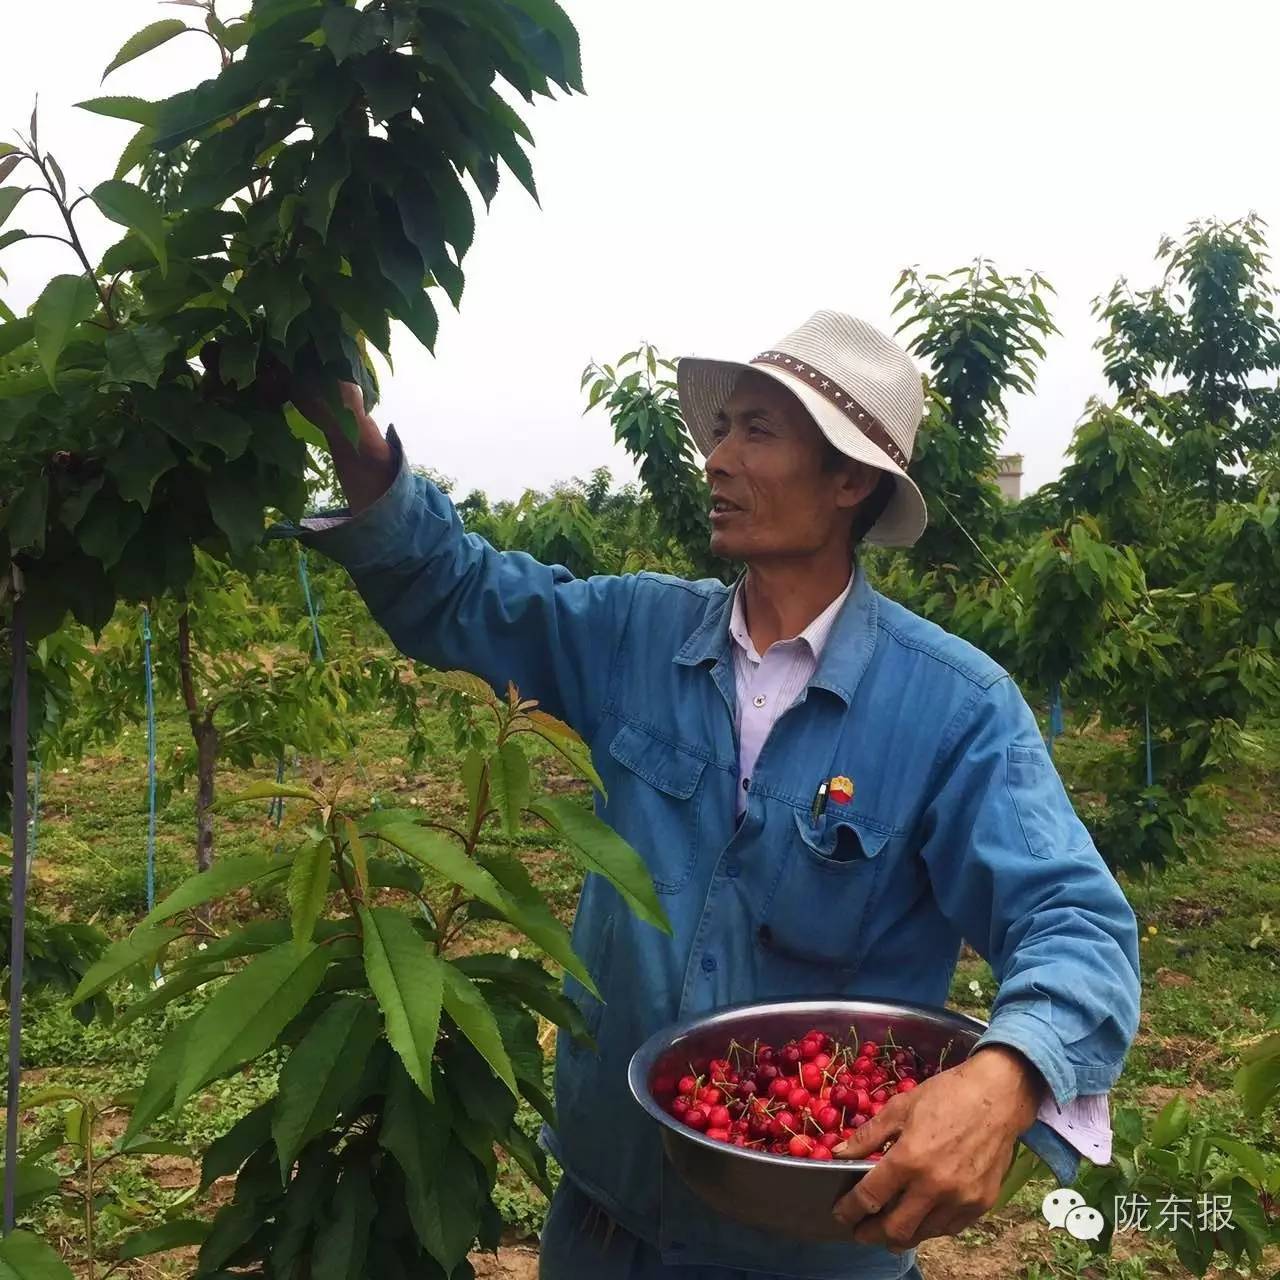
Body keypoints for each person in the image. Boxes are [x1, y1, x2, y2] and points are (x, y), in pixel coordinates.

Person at [294, 310, 1141, 1280]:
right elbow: (462, 593)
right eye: (720, 427)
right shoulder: (636, 632)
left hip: (812, 1250)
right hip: (603, 1230)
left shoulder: (953, 708)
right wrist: (354, 442)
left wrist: (1004, 1076)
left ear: (848, 480)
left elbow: (1073, 920)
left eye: (755, 432)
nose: (716, 458)